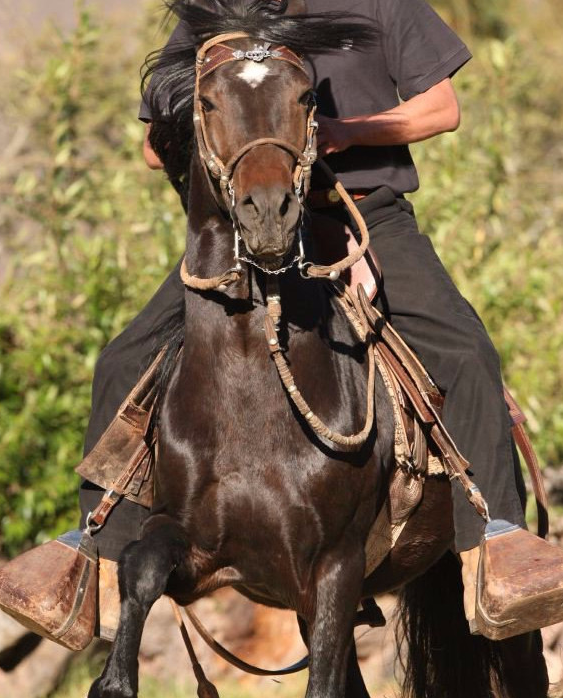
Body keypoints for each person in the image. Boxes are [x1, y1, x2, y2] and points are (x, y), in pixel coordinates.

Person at [80, 0, 528, 631]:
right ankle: (93, 557)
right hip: (240, 230)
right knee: (123, 359)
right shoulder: (216, 14)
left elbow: (441, 109)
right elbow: (156, 147)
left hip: (365, 213)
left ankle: (495, 542)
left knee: (468, 351)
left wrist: (344, 133)